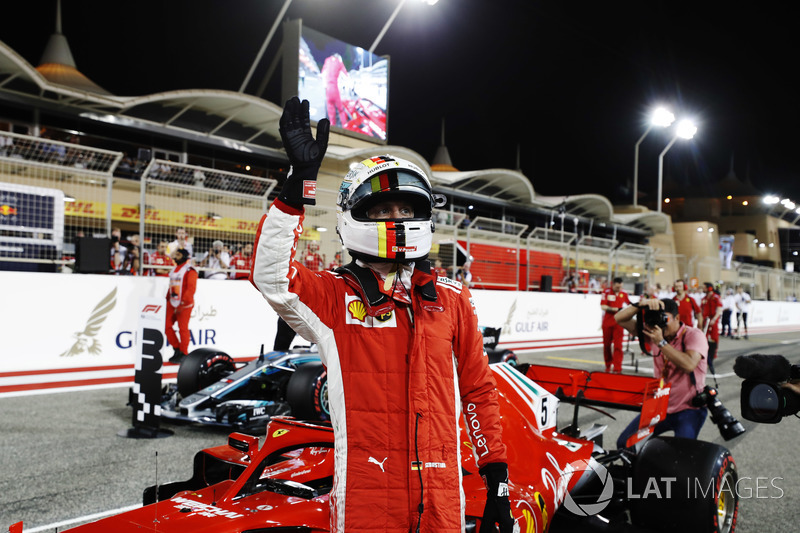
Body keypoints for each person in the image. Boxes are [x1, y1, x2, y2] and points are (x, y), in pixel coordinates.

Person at [250, 97, 514, 533]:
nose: (397, 218)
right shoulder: (335, 295)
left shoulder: (451, 298)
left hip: (442, 500)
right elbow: (272, 278)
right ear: (356, 216)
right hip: (366, 504)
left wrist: (497, 480)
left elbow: (479, 392)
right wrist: (298, 187)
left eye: (406, 209)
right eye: (382, 209)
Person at [614, 298, 708, 447]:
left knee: (682, 453)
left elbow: (689, 364)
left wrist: (661, 343)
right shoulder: (654, 333)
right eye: (657, 319)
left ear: (677, 318)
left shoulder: (693, 335)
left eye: (665, 319)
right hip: (659, 405)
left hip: (688, 408)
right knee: (625, 443)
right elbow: (619, 318)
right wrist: (639, 305)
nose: (660, 324)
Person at [165, 248, 197, 364]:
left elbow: (191, 288)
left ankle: (184, 353)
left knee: (183, 328)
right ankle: (176, 349)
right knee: (166, 325)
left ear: (184, 256)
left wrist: (183, 303)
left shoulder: (190, 270)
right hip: (172, 302)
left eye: (178, 255)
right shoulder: (174, 269)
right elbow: (171, 285)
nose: (175, 256)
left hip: (184, 304)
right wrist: (167, 298)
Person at [600, 277, 630, 373]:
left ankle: (617, 367)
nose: (618, 289)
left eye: (620, 287)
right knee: (607, 345)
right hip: (608, 322)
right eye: (617, 287)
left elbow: (629, 304)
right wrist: (616, 309)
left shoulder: (623, 293)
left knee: (618, 345)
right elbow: (603, 306)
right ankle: (608, 365)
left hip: (619, 323)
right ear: (613, 285)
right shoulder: (606, 292)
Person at [700, 282, 723, 376]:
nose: (703, 289)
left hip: (713, 322)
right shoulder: (704, 299)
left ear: (709, 288)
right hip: (705, 322)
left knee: (713, 340)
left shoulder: (716, 297)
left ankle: (711, 359)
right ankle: (704, 359)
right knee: (703, 341)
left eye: (704, 288)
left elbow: (719, 309)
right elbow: (701, 311)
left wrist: (714, 319)